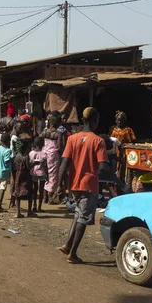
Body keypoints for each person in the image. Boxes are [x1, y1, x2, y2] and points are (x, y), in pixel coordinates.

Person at [58, 107, 109, 264]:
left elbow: (64, 162)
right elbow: (103, 166)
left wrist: (59, 184)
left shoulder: (72, 139)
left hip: (74, 184)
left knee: (78, 214)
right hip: (88, 184)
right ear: (94, 121)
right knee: (83, 218)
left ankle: (67, 245)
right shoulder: (98, 141)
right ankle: (73, 253)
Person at [41, 113, 66, 204]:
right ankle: (50, 198)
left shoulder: (45, 131)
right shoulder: (58, 133)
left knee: (46, 176)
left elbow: (39, 140)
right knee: (53, 177)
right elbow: (60, 146)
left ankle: (45, 198)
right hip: (53, 156)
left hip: (44, 154)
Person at [12, 139, 36, 218]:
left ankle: (18, 212)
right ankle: (29, 211)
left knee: (18, 193)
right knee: (29, 194)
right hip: (26, 177)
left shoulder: (17, 156)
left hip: (18, 176)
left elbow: (15, 166)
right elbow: (28, 167)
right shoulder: (26, 157)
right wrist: (35, 163)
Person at [109, 111, 136, 179]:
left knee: (125, 170)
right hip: (116, 152)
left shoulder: (128, 130)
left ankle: (124, 184)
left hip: (126, 153)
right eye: (118, 120)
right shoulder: (113, 129)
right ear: (115, 120)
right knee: (115, 169)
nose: (120, 122)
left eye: (122, 120)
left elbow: (133, 140)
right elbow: (109, 140)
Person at [0, 134, 12, 212]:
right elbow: (7, 161)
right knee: (2, 188)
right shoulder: (8, 150)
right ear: (8, 141)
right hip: (4, 172)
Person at [29, 136, 48, 212]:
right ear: (42, 145)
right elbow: (45, 165)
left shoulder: (31, 153)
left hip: (33, 173)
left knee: (35, 190)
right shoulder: (44, 154)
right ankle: (39, 207)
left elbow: (30, 163)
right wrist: (47, 174)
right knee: (41, 190)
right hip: (42, 173)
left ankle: (34, 205)